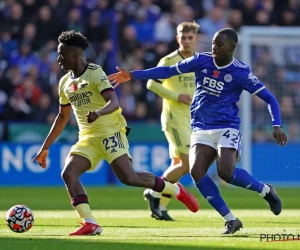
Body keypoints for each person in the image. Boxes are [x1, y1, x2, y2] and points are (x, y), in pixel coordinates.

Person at [108, 28, 288, 234]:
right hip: (201, 127)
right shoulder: (201, 60)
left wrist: (276, 124)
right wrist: (132, 75)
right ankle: (230, 219)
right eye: (213, 42)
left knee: (225, 173)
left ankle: (265, 190)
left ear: (231, 47)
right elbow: (168, 71)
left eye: (219, 44)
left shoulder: (241, 72)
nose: (214, 47)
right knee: (196, 171)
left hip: (227, 126)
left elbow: (270, 98)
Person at [32, 30, 199, 236]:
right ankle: (90, 222)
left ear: (74, 54)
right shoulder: (64, 83)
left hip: (111, 132)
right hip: (87, 138)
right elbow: (62, 116)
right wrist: (45, 148)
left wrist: (99, 113)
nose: (58, 59)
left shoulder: (95, 73)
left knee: (128, 178)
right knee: (69, 173)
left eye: (61, 54)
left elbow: (114, 102)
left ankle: (175, 190)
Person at [143, 22, 199, 221]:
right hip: (174, 119)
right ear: (177, 39)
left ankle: (160, 207)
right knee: (187, 164)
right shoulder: (169, 60)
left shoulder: (200, 61)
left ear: (196, 39)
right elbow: (151, 83)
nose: (186, 41)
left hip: (193, 120)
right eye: (182, 37)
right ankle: (154, 193)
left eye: (190, 37)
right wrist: (176, 96)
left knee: (178, 164)